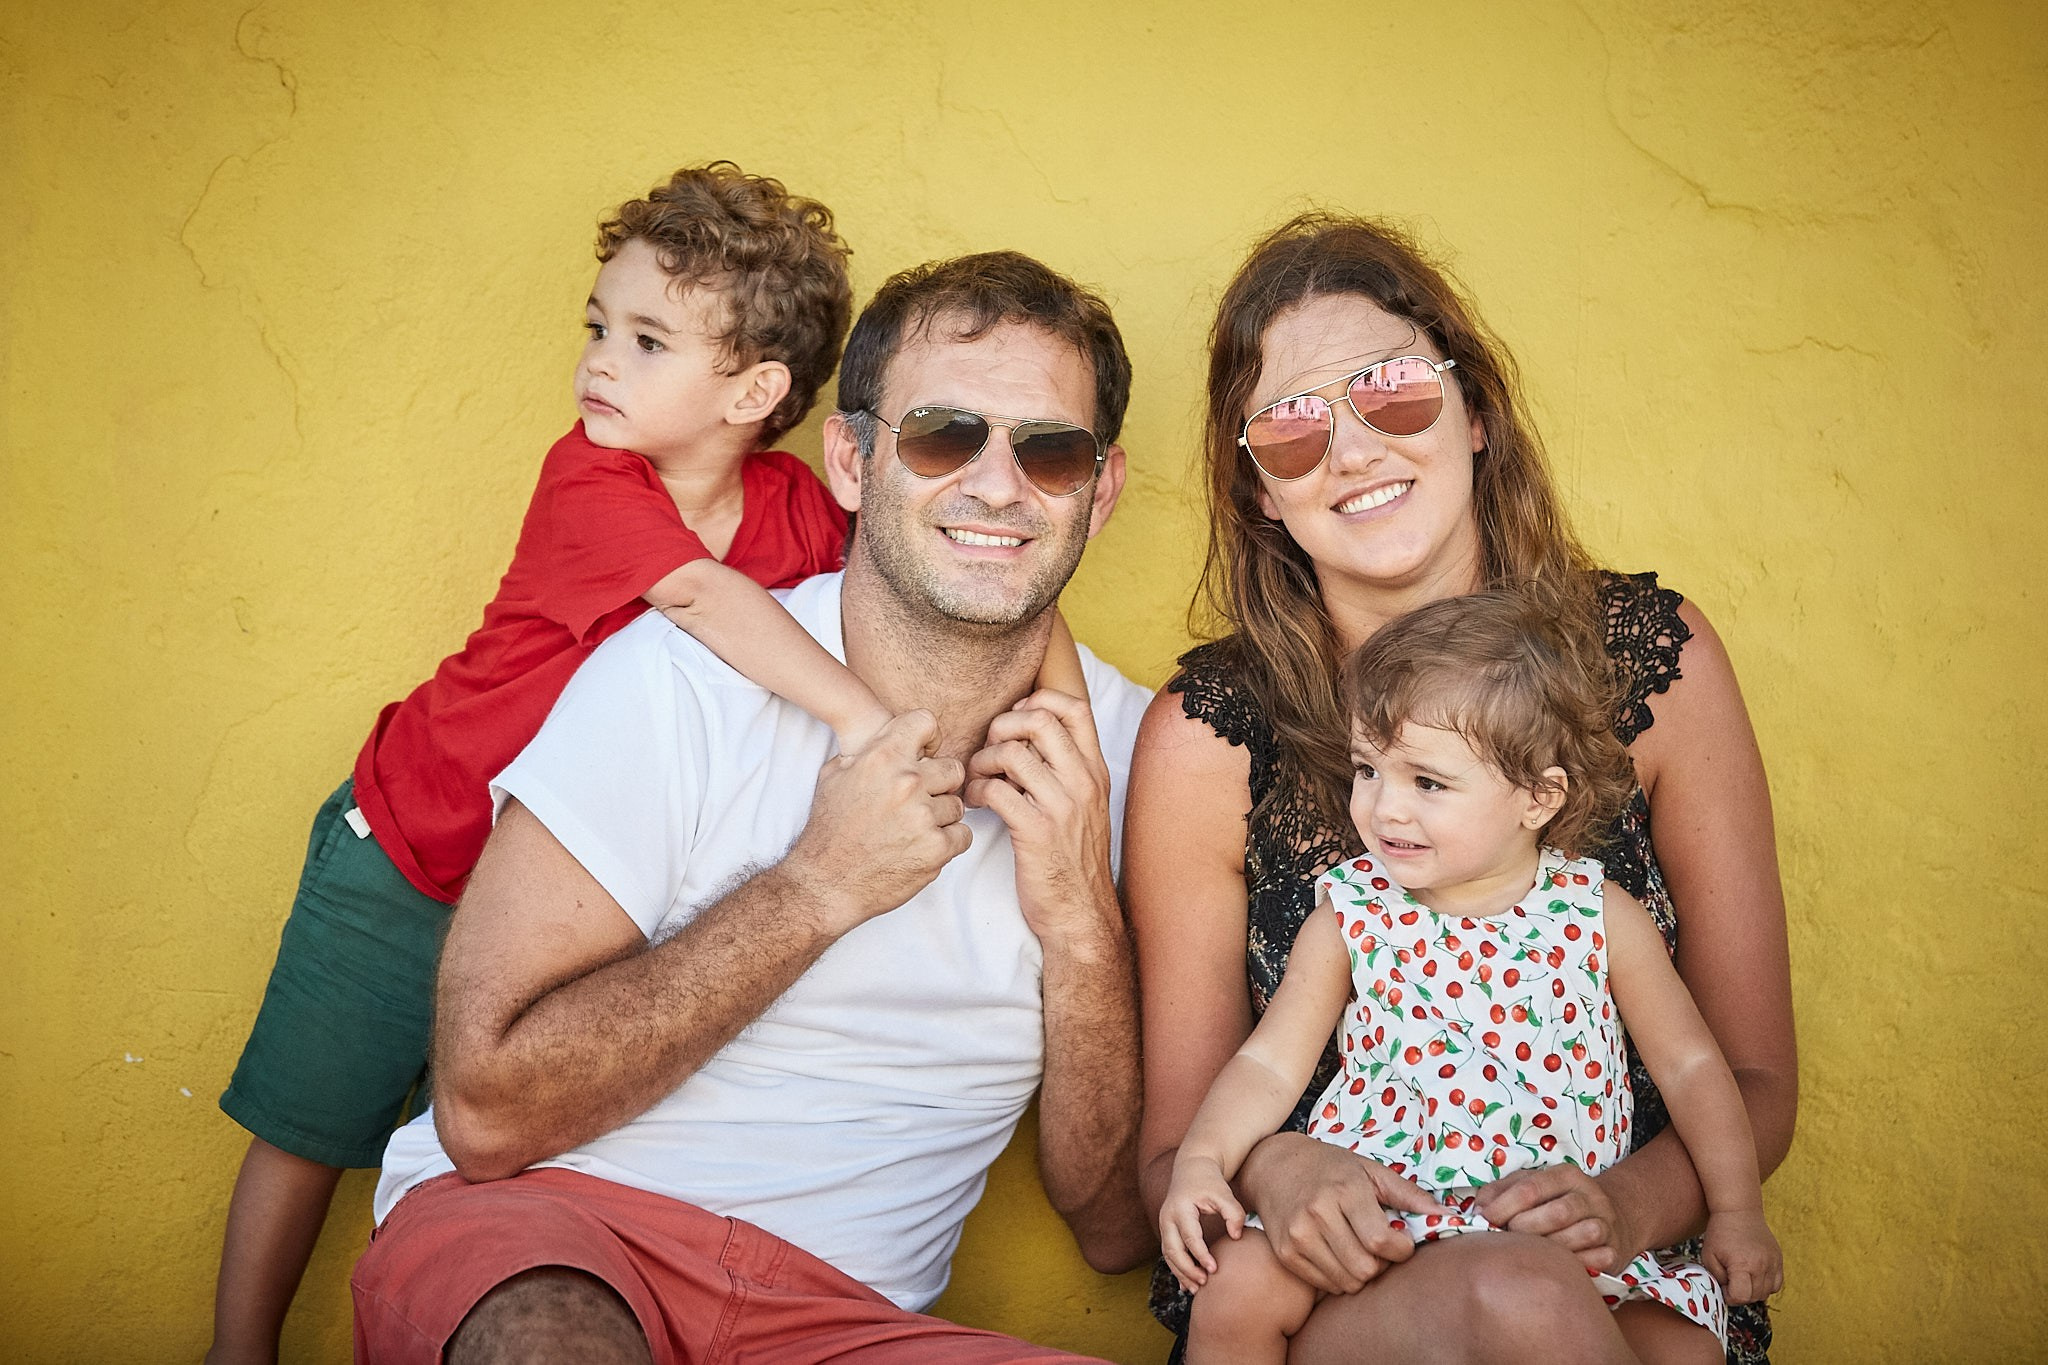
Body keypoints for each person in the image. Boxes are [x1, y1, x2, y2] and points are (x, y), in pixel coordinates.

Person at [349, 250, 1156, 1364]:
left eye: (1049, 450)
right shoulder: (674, 678)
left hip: (847, 1320)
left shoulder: (1138, 757)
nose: (996, 486)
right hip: (556, 1237)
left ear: (1099, 490)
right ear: (850, 460)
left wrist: (1077, 917)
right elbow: (484, 1116)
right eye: (940, 434)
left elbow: (1116, 1228)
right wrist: (815, 889)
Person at [210, 161, 954, 1364]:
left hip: (561, 899)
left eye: (648, 341)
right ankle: (233, 1350)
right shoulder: (589, 478)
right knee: (313, 1121)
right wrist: (869, 725)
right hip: (413, 849)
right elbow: (702, 600)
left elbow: (874, 587)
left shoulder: (790, 511)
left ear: (755, 390)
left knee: (457, 1153)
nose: (598, 362)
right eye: (599, 327)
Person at [1128, 213, 1797, 1365]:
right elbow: (1171, 1154)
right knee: (1517, 1302)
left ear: (1473, 412)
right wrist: (1277, 1166)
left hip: (1619, 1266)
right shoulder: (1207, 737)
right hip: (1342, 1291)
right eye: (1288, 428)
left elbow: (1747, 1081)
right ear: (1254, 493)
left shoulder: (1653, 659)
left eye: (1390, 390)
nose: (1349, 448)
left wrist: (1625, 1209)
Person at [1159, 590, 1783, 1365]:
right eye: (1367, 769)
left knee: (1687, 1345)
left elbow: (1694, 1068)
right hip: (1382, 1230)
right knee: (1237, 1286)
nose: (1384, 808)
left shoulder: (1598, 915)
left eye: (1428, 782)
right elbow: (1266, 1062)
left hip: (1557, 1233)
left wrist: (1735, 1210)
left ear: (1538, 796)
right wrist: (1202, 1162)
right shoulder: (1355, 913)